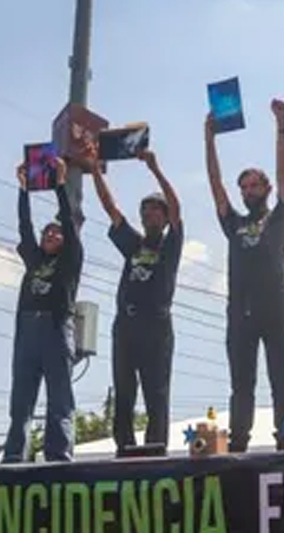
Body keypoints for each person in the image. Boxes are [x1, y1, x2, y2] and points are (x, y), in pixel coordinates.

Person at [205, 98, 284, 451]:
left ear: (267, 189)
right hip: (240, 313)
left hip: (275, 311)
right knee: (241, 384)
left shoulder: (280, 217)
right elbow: (215, 186)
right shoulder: (236, 224)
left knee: (281, 381)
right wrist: (209, 140)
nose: (247, 192)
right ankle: (238, 443)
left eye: (254, 186)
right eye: (244, 187)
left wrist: (281, 124)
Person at [82, 149, 183, 452]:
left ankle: (155, 451)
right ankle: (124, 448)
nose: (150, 213)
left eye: (156, 210)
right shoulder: (134, 244)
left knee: (156, 394)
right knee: (124, 392)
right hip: (126, 324)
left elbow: (178, 210)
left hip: (157, 325)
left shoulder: (170, 245)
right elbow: (110, 209)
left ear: (164, 219)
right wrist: (95, 170)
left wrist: (155, 168)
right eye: (146, 209)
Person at [2, 157, 83, 463]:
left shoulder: (69, 261)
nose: (50, 235)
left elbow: (69, 223)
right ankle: (14, 456)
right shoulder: (35, 261)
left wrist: (60, 184)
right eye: (47, 233)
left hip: (55, 327)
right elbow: (25, 228)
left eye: (56, 233)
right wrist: (23, 190)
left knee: (59, 397)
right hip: (27, 330)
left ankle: (58, 455)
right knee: (21, 398)